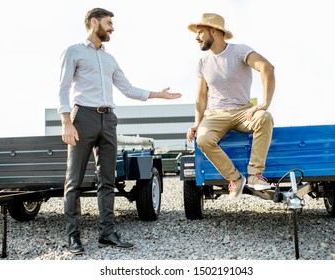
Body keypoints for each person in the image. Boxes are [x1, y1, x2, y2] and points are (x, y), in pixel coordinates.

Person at [58, 8, 182, 255]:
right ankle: (73, 237)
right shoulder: (73, 51)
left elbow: (127, 89)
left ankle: (107, 233)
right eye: (108, 23)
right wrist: (66, 122)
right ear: (94, 23)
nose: (112, 28)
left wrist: (158, 94)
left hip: (109, 120)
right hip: (82, 117)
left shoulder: (109, 58)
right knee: (73, 181)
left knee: (107, 179)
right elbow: (62, 88)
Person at [186, 13, 275, 203]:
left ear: (214, 31)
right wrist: (197, 123)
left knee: (264, 117)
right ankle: (235, 179)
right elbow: (201, 96)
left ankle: (255, 175)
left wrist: (264, 103)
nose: (196, 37)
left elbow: (267, 67)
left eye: (200, 32)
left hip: (243, 111)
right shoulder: (203, 62)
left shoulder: (240, 51)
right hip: (216, 114)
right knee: (202, 139)